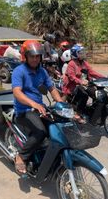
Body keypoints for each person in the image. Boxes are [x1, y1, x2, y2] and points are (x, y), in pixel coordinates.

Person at [12, 40, 63, 174]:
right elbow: (17, 92)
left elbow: (51, 88)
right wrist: (33, 104)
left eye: (37, 56)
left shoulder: (42, 71)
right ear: (25, 56)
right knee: (41, 132)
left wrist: (60, 103)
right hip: (25, 110)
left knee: (59, 127)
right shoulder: (19, 71)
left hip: (40, 109)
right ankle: (21, 156)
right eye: (32, 56)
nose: (35, 59)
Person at [62, 45, 104, 124]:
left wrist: (102, 77)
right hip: (72, 86)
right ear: (75, 54)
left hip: (83, 84)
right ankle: (78, 114)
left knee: (96, 93)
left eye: (82, 52)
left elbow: (91, 72)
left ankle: (94, 113)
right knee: (84, 95)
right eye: (80, 53)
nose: (82, 54)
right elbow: (71, 77)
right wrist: (81, 81)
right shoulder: (71, 63)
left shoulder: (84, 63)